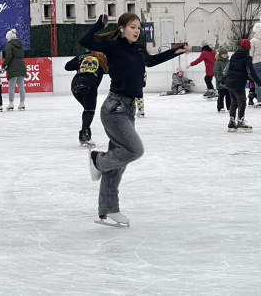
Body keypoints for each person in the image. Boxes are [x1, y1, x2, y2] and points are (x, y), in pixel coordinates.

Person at [80, 12, 190, 227]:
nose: (136, 30)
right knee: (134, 150)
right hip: (114, 108)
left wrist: (174, 52)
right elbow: (85, 41)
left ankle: (108, 210)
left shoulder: (139, 48)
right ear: (121, 28)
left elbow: (150, 61)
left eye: (138, 27)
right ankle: (97, 160)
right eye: (132, 27)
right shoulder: (112, 46)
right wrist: (98, 25)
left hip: (129, 108)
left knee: (118, 164)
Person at [64, 50, 109, 147]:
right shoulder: (102, 58)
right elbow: (110, 69)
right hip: (89, 85)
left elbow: (67, 66)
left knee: (87, 110)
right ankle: (84, 136)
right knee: (89, 111)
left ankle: (85, 132)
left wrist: (80, 61)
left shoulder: (82, 56)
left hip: (75, 85)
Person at [224, 39, 261, 133]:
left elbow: (227, 69)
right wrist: (259, 82)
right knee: (242, 101)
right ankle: (240, 122)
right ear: (249, 47)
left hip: (229, 82)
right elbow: (251, 72)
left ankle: (232, 122)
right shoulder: (247, 58)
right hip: (238, 82)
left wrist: (223, 80)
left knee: (234, 102)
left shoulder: (233, 56)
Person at [2, 28, 27, 111]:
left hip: (13, 67)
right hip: (21, 66)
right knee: (21, 87)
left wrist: (4, 65)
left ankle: (11, 103)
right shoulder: (20, 44)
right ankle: (22, 103)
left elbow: (9, 57)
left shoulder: (9, 45)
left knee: (11, 87)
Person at [213, 47, 231, 112]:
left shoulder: (229, 61)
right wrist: (219, 80)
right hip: (221, 82)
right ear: (220, 54)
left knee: (229, 95)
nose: (225, 55)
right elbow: (217, 72)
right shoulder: (218, 62)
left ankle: (229, 107)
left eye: (225, 53)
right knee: (221, 95)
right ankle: (220, 107)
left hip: (228, 82)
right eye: (223, 54)